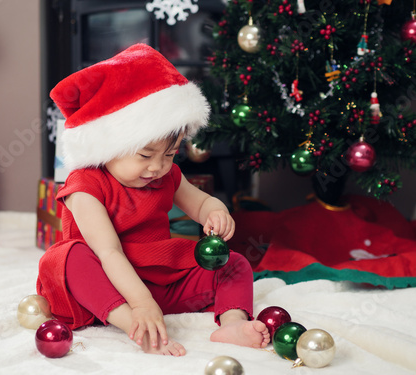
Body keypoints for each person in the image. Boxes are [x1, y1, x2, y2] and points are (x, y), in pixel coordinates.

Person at [36, 44, 270, 356]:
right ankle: (132, 323)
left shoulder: (166, 174)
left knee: (234, 263)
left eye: (170, 154)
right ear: (110, 145)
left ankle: (231, 322)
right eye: (145, 155)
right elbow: (109, 252)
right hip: (104, 284)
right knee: (70, 257)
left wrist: (216, 211)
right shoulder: (85, 185)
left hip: (160, 279)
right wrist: (141, 304)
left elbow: (199, 203)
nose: (157, 166)